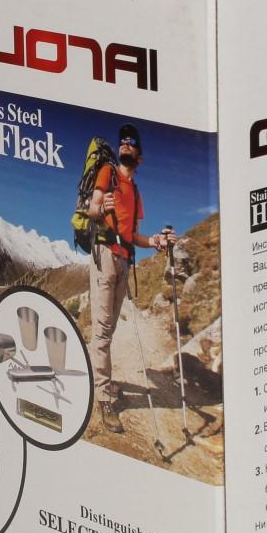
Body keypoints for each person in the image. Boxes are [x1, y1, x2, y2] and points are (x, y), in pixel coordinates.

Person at [85, 123, 176, 433]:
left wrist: (155, 241)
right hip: (105, 255)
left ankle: (103, 382)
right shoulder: (107, 172)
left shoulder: (135, 192)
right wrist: (101, 209)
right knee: (101, 330)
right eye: (122, 140)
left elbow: (134, 235)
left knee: (108, 329)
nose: (125, 143)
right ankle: (103, 398)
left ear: (139, 156)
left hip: (125, 262)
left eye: (131, 142)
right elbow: (92, 208)